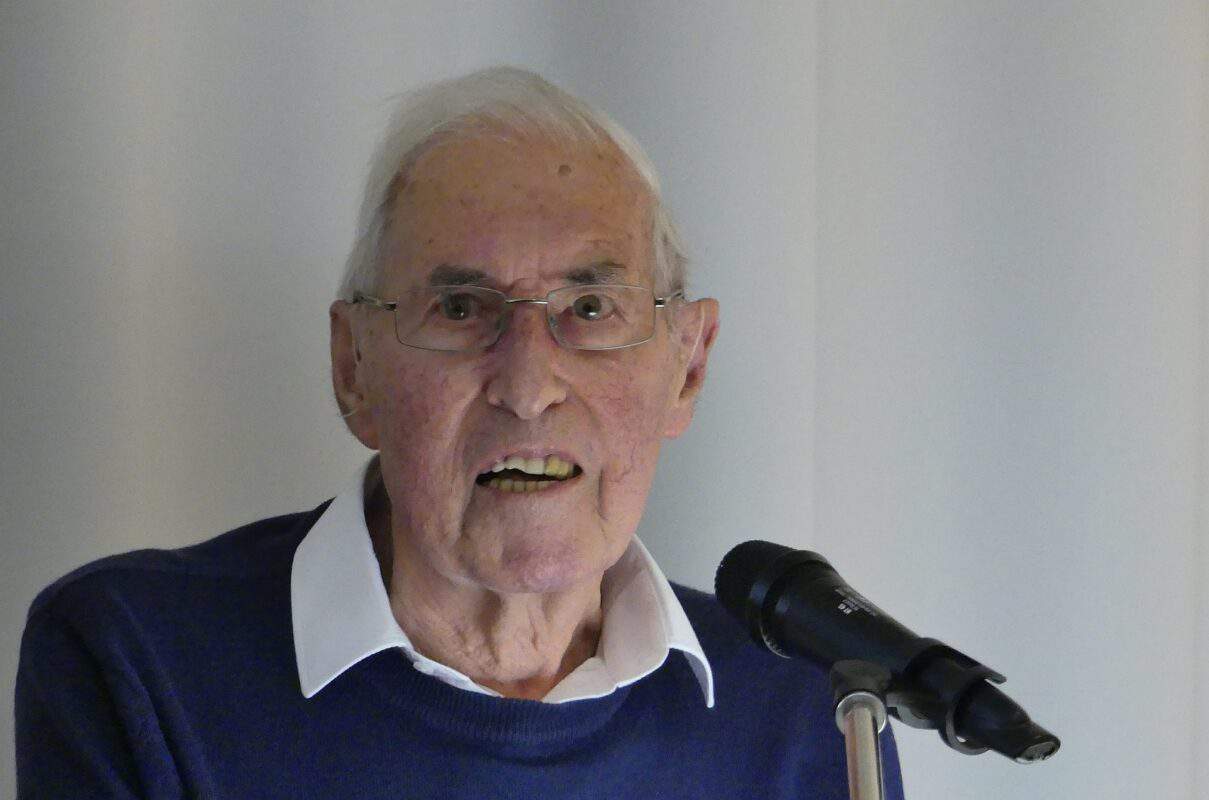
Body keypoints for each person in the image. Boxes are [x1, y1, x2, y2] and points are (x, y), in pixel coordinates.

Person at [15, 66, 904, 798]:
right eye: (459, 308)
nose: (526, 387)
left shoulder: (811, 710)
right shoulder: (136, 662)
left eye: (590, 307)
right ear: (353, 367)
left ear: (688, 365)